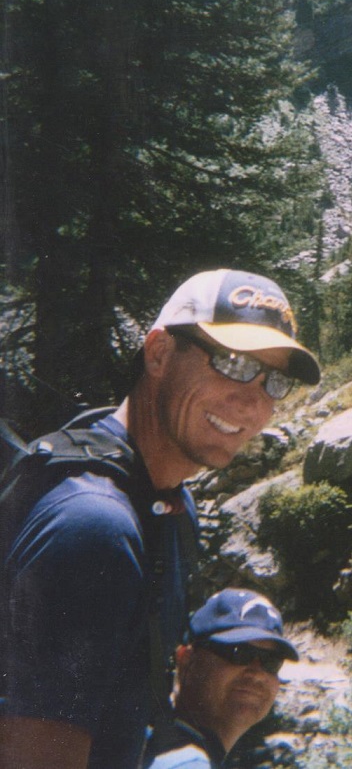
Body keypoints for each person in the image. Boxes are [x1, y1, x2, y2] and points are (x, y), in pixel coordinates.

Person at [0, 269, 320, 769]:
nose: (254, 402)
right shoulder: (95, 527)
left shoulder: (167, 503)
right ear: (159, 353)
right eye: (232, 362)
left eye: (274, 380)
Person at [145, 588, 299, 769]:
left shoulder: (148, 742)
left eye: (271, 661)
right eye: (239, 652)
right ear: (186, 660)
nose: (258, 674)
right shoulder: (186, 763)